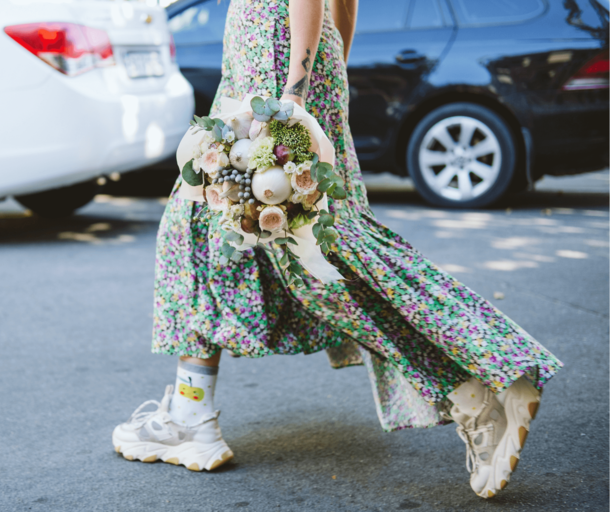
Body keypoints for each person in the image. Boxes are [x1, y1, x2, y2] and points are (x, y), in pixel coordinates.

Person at [112, 0, 562, 499]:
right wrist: (327, 74)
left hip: (275, 63)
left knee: (317, 253)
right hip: (287, 62)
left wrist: (294, 93)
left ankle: (481, 386)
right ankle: (190, 413)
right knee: (215, 224)